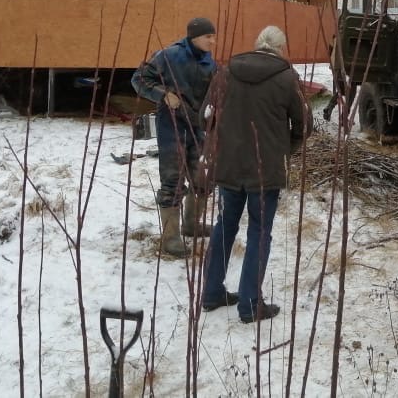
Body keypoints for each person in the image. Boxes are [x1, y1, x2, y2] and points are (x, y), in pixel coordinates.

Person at [201, 25, 307, 321]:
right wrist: (285, 151)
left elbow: (204, 117)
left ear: (256, 43)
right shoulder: (288, 79)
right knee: (260, 231)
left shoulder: (224, 73)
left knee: (225, 224)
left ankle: (211, 292)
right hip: (266, 169)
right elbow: (304, 125)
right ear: (280, 49)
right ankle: (249, 304)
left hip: (229, 165)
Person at [131, 17, 218, 258]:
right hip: (172, 126)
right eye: (208, 36)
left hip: (199, 126)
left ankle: (191, 224)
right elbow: (138, 80)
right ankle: (170, 237)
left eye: (214, 36)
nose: (213, 41)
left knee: (204, 177)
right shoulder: (168, 55)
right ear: (194, 37)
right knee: (173, 180)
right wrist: (162, 94)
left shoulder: (210, 62)